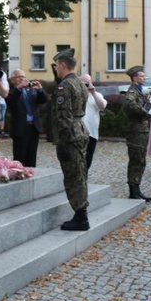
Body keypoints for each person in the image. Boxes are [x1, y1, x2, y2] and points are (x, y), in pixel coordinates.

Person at [51, 49, 90, 231]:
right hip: (81, 129)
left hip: (70, 135)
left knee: (73, 176)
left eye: (57, 65)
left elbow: (63, 116)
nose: (56, 68)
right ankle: (81, 213)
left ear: (63, 65)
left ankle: (80, 216)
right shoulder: (80, 83)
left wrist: (63, 141)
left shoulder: (64, 86)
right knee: (80, 174)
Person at [5, 69, 47, 167]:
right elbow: (11, 102)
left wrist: (40, 90)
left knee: (32, 156)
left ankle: (31, 175)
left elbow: (43, 100)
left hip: (33, 127)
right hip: (20, 128)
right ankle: (19, 174)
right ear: (12, 80)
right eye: (19, 77)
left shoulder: (30, 89)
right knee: (20, 157)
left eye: (24, 77)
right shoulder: (11, 91)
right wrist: (18, 88)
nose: (22, 79)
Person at [123, 66, 151, 202]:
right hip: (136, 131)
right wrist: (143, 112)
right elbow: (129, 105)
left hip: (141, 130)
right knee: (137, 160)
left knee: (140, 160)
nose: (144, 78)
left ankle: (136, 188)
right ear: (134, 78)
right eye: (141, 76)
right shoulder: (132, 91)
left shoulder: (138, 91)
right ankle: (134, 190)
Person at [80, 73, 107, 170]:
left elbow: (102, 106)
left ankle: (84, 177)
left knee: (88, 156)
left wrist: (93, 93)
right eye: (83, 84)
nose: (85, 86)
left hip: (92, 132)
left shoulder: (97, 95)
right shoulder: (77, 95)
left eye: (87, 83)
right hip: (79, 131)